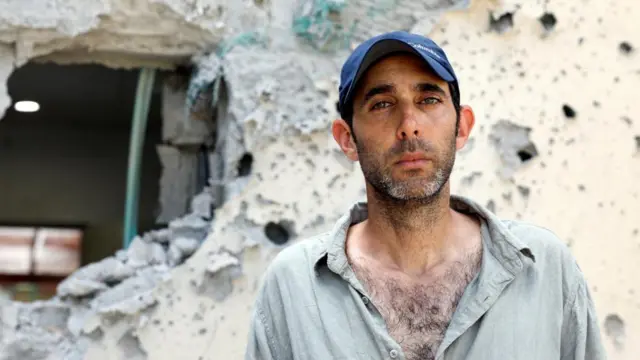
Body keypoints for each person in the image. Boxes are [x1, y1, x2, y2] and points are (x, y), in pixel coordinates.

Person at [245, 31, 606, 360]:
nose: (409, 125)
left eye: (429, 99)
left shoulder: (544, 270)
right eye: (382, 104)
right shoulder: (294, 287)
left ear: (461, 127)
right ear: (347, 139)